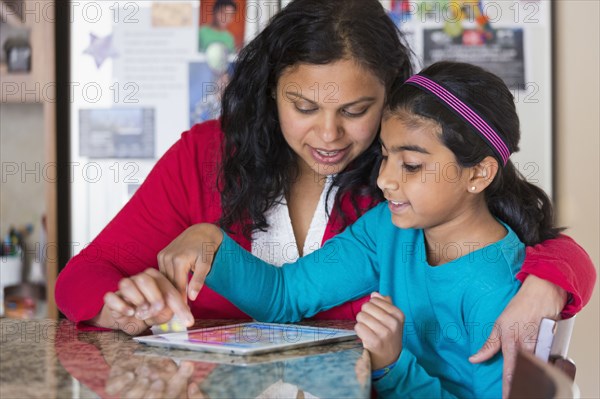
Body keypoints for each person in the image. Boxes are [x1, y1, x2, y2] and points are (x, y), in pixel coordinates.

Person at [55, 0, 596, 393]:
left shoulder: (410, 203)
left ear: (390, 96)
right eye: (304, 107)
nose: (330, 136)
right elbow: (284, 295)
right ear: (272, 92)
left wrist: (549, 282)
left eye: (357, 112)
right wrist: (194, 252)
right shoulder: (209, 160)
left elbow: (525, 235)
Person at [159, 61, 596, 398]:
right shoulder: (389, 228)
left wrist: (391, 364)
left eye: (410, 164)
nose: (385, 179)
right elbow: (285, 296)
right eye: (385, 156)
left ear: (479, 174)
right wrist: (212, 244)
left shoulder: (498, 290)